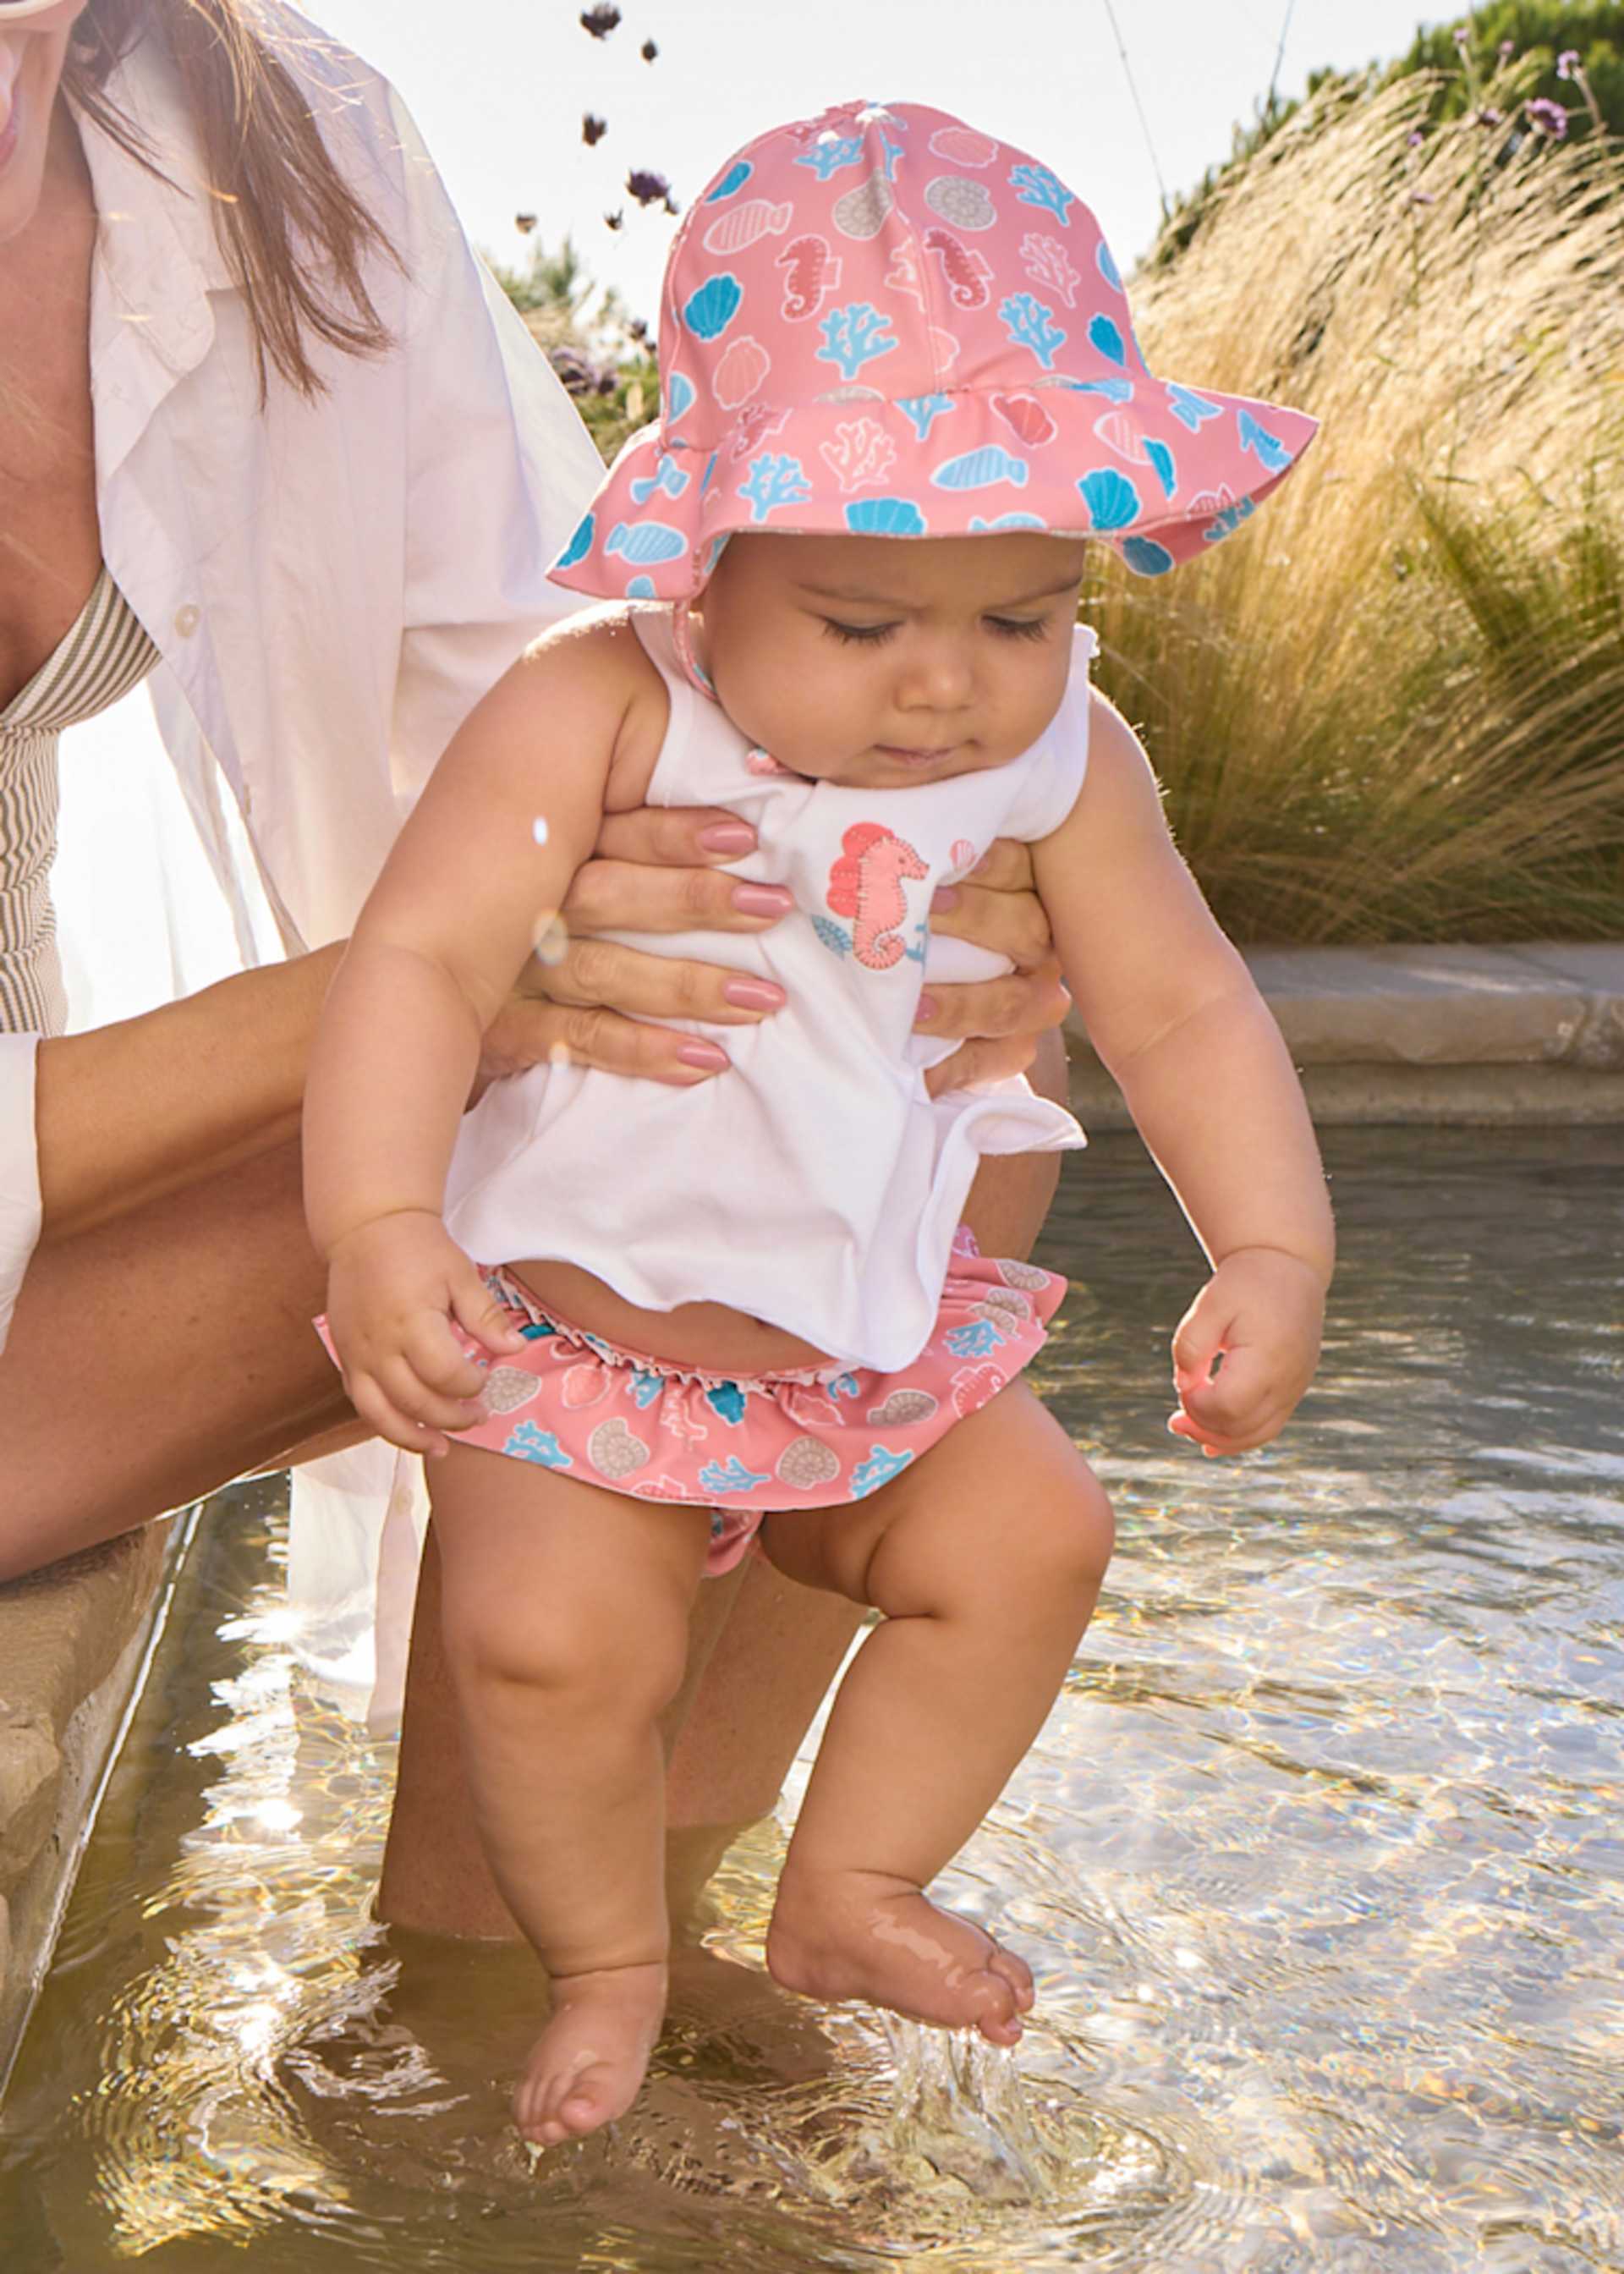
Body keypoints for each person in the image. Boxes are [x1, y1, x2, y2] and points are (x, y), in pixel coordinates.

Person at [305, 98, 1336, 2149]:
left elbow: (1186, 1002)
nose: (951, 685)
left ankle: (850, 1889)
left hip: (868, 1362)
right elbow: (416, 962)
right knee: (539, 1648)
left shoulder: (1066, 761)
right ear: (711, 554)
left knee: (1044, 1533)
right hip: (579, 1362)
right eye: (865, 623)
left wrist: (1274, 1246)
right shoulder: (601, 704)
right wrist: (378, 1222)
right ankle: (602, 1965)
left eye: (1021, 612)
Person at [0, 5, 1071, 1944]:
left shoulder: (257, 124)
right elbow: (456, 947)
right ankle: (507, 2019)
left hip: (37, 1163)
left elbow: (568, 675)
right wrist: (440, 986)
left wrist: (916, 883)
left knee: (886, 1069)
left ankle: (621, 1971)